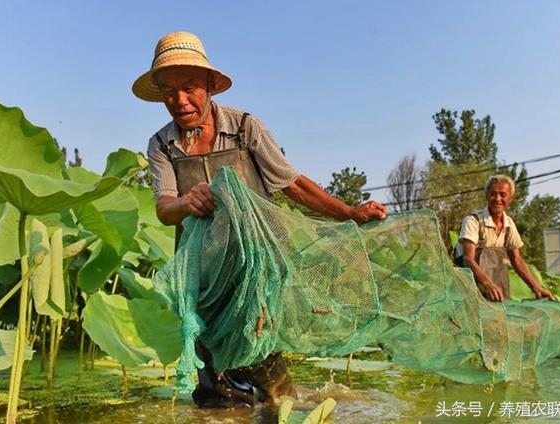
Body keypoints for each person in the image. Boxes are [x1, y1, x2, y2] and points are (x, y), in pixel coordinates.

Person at [132, 31, 387, 408]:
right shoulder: (161, 144)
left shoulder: (245, 128)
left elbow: (292, 184)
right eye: (169, 91)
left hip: (255, 272)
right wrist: (187, 202)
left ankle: (284, 407)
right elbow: (164, 208)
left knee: (267, 374)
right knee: (213, 389)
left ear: (209, 86)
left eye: (189, 88)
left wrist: (348, 212)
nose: (180, 101)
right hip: (203, 279)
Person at [455, 174, 555, 302]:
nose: (497, 199)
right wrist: (487, 284)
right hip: (468, 289)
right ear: (487, 196)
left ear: (510, 199)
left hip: (497, 288)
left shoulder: (509, 224)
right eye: (493, 194)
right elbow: (468, 259)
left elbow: (517, 260)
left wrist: (536, 287)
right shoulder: (473, 221)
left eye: (503, 194)